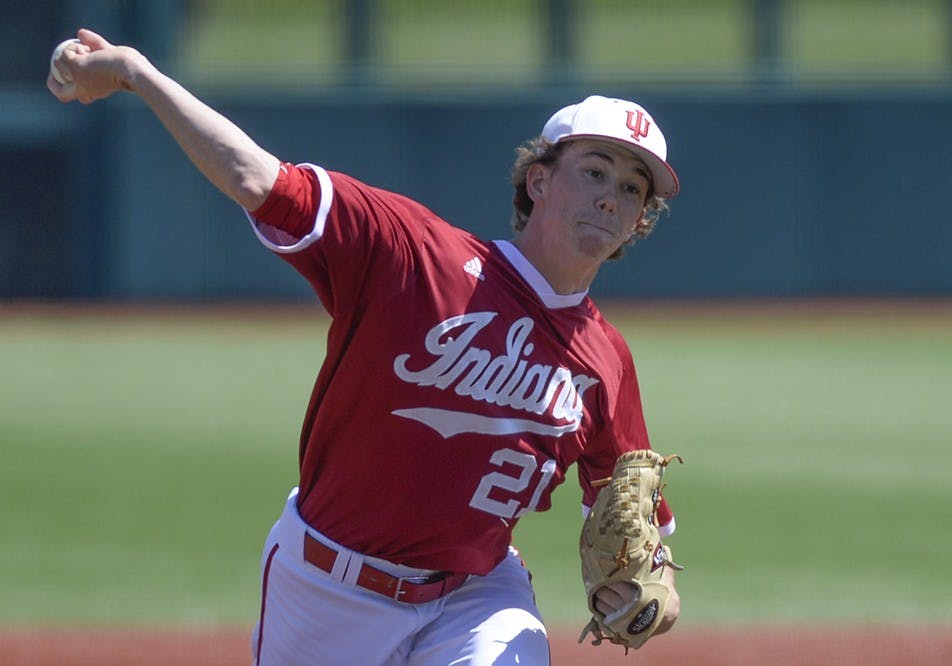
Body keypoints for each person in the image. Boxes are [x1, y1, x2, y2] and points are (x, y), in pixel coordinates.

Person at [48, 28, 681, 666]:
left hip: (477, 596)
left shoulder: (605, 359)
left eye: (632, 189)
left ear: (640, 221)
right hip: (328, 587)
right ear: (538, 182)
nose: (610, 196)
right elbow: (254, 177)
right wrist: (136, 73)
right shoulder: (412, 252)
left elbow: (633, 517)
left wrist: (652, 591)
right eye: (594, 171)